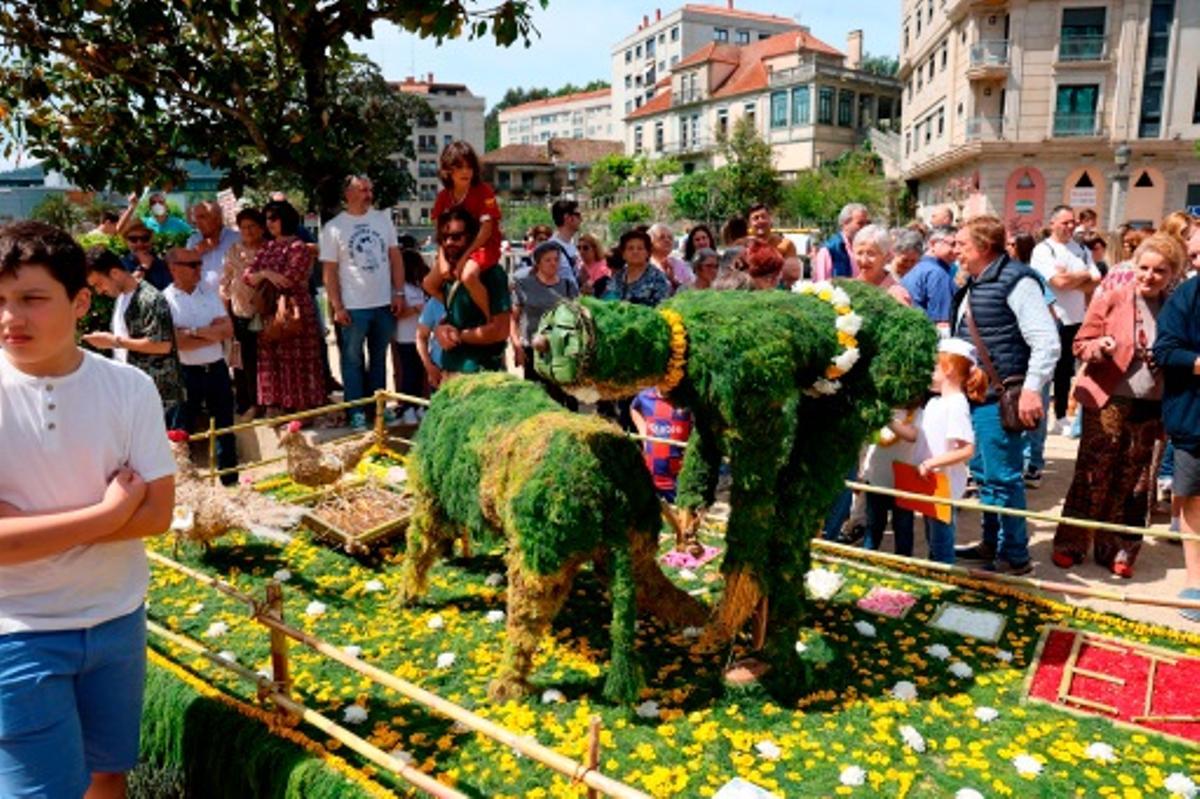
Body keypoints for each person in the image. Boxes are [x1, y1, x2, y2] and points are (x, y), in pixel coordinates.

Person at [0, 220, 175, 799]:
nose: (10, 318)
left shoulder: (129, 390)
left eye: (31, 299)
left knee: (107, 774)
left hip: (116, 616)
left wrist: (28, 527)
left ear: (80, 302)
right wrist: (104, 516)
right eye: (0, 301)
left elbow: (156, 515)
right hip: (18, 630)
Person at [1053, 233, 1184, 578]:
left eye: (1160, 270)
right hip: (1108, 398)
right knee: (1094, 471)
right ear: (1134, 265)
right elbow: (1080, 343)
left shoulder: (1175, 307)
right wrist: (1101, 346)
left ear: (1172, 273)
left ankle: (1120, 549)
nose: (1150, 276)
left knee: (1136, 479)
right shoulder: (1112, 298)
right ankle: (1071, 543)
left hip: (1153, 404)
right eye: (1144, 268)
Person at [952, 215, 1060, 575]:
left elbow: (1045, 340)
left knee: (1003, 477)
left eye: (962, 245)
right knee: (984, 475)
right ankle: (991, 544)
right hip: (976, 396)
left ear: (983, 248)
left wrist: (1032, 390)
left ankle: (1015, 556)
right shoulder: (977, 282)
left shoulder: (1017, 281)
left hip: (1001, 398)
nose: (957, 251)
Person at [321, 175, 404, 429]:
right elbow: (330, 271)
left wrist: (398, 292)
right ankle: (355, 410)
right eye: (362, 189)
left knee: (379, 358)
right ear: (348, 194)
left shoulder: (382, 219)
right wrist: (337, 306)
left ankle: (377, 407)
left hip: (383, 303)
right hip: (354, 306)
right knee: (352, 359)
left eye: (370, 188)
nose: (368, 193)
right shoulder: (334, 228)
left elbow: (394, 257)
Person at [83, 247, 185, 426]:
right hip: (134, 393)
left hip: (159, 397)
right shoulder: (122, 298)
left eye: (99, 284)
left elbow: (162, 344)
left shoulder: (151, 299)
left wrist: (114, 342)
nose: (99, 291)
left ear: (114, 273)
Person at [1153, 234, 1200, 620]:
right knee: (1194, 500)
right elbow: (1165, 349)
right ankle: (1196, 580)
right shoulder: (1187, 295)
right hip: (1194, 418)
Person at [163, 247, 239, 485]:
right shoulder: (165, 300)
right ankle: (185, 486)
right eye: (192, 265)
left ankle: (230, 482)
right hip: (186, 372)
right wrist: (210, 333)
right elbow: (178, 343)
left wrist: (194, 331)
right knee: (180, 431)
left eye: (199, 263)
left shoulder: (208, 293)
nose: (199, 269)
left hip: (216, 368)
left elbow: (227, 330)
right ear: (174, 269)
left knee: (225, 428)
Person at [246, 200, 327, 415]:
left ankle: (302, 407)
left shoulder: (298, 247)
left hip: (294, 308)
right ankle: (277, 404)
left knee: (297, 359)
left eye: (274, 218)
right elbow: (248, 276)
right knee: (271, 357)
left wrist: (264, 274)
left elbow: (289, 279)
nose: (269, 223)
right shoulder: (268, 247)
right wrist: (265, 274)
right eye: (267, 219)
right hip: (269, 310)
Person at [914, 338, 985, 564]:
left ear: (949, 368)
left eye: (934, 366)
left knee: (941, 540)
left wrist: (931, 463)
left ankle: (944, 580)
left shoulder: (956, 404)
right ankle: (934, 572)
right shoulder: (935, 403)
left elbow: (966, 450)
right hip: (928, 480)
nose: (929, 372)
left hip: (942, 483)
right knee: (931, 535)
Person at [1031, 205, 1101, 432]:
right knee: (1048, 369)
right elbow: (1057, 283)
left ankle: (1061, 415)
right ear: (1052, 224)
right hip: (1053, 318)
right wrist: (1082, 276)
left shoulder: (1081, 249)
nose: (1070, 226)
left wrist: (1071, 277)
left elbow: (1096, 280)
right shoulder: (1044, 250)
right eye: (1065, 222)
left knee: (1066, 371)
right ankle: (1041, 416)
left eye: (1072, 222)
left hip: (1077, 318)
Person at [425, 207, 512, 376]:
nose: (449, 242)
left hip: (482, 372)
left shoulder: (492, 274)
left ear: (471, 238)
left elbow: (500, 330)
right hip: (451, 369)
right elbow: (429, 285)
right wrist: (441, 330)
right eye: (444, 238)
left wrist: (457, 335)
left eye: (456, 237)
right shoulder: (449, 275)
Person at [429, 140, 503, 319]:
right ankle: (454, 311)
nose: (465, 171)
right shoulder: (442, 197)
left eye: (469, 167)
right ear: (448, 170)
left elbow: (486, 231)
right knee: (428, 284)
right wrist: (443, 259)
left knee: (468, 275)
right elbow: (440, 233)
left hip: (483, 246)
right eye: (459, 167)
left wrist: (463, 258)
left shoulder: (484, 191)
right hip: (455, 248)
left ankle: (487, 318)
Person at [511, 239, 580, 409]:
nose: (553, 264)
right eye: (548, 260)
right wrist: (517, 345)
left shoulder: (567, 286)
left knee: (563, 399)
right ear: (538, 263)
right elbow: (513, 318)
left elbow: (577, 316)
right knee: (536, 398)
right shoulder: (524, 285)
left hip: (561, 350)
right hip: (533, 349)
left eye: (556, 259)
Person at [220, 207, 268, 417]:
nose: (247, 231)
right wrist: (226, 314)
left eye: (252, 226)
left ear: (261, 228)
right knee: (242, 360)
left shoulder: (269, 249)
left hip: (266, 314)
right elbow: (225, 282)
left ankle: (266, 402)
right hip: (239, 313)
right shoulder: (233, 250)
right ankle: (248, 403)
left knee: (265, 361)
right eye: (243, 227)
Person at [861, 405, 919, 556]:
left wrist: (885, 417)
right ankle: (866, 560)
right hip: (876, 478)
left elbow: (912, 435)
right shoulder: (880, 408)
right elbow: (871, 441)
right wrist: (863, 468)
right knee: (873, 525)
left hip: (903, 483)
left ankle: (903, 566)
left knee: (903, 528)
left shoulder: (918, 413)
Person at [630, 387, 693, 503]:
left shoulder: (688, 400)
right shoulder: (645, 397)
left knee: (680, 517)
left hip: (679, 480)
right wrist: (644, 435)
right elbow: (634, 408)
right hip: (651, 477)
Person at [391, 248, 429, 423]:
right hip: (404, 336)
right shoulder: (399, 288)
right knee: (409, 372)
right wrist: (415, 309)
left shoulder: (419, 286)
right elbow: (397, 312)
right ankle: (407, 407)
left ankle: (419, 406)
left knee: (421, 371)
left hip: (421, 336)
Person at [901, 225, 957, 327]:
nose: (957, 250)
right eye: (953, 244)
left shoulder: (920, 268)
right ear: (933, 244)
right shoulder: (937, 274)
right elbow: (943, 324)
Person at [606, 228, 671, 306]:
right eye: (630, 248)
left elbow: (662, 307)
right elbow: (607, 301)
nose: (635, 252)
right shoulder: (618, 277)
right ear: (623, 254)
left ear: (647, 253)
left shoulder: (658, 278)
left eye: (640, 248)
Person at [186, 200, 241, 293]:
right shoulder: (193, 240)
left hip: (228, 300)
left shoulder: (236, 239)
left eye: (202, 217)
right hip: (201, 300)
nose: (198, 222)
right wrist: (197, 251)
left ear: (217, 219)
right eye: (196, 218)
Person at [853, 225, 911, 305]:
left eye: (871, 254)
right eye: (859, 253)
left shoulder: (896, 295)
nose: (864, 260)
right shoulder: (847, 289)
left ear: (886, 257)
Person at [811, 203, 870, 281]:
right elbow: (821, 284)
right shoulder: (830, 250)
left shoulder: (866, 248)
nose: (865, 228)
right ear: (845, 223)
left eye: (867, 223)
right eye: (860, 223)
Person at [119, 221, 171, 291]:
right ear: (126, 241)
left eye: (145, 238)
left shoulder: (163, 265)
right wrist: (143, 267)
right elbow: (124, 291)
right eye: (133, 239)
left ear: (151, 240)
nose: (139, 243)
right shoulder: (120, 265)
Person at [648, 223, 695, 293]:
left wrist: (673, 280)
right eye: (661, 237)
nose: (667, 240)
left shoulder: (680, 264)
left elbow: (694, 289)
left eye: (670, 238)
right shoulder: (643, 266)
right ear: (650, 242)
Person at [548, 198, 583, 283]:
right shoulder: (550, 249)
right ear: (567, 218)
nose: (581, 219)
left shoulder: (571, 245)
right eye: (578, 215)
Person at [577, 233, 611, 297]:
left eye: (585, 248)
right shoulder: (581, 265)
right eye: (579, 248)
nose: (581, 251)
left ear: (595, 249)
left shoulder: (603, 268)